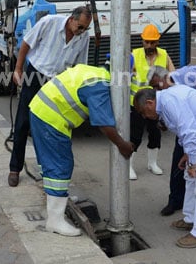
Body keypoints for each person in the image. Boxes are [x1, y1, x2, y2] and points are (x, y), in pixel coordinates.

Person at [29, 64, 135, 236]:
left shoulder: (97, 73)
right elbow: (103, 124)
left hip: (40, 109)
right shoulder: (99, 86)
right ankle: (55, 221)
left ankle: (55, 204)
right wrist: (122, 145)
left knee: (50, 164)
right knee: (60, 165)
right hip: (50, 118)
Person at [134, 87, 196, 248]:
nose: (145, 116)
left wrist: (193, 163)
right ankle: (191, 219)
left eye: (143, 112)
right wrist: (188, 154)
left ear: (150, 103)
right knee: (190, 178)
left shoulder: (170, 101)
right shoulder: (165, 102)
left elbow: (190, 131)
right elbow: (183, 131)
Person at [8, 6, 92, 187]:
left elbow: (80, 65)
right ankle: (14, 168)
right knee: (23, 122)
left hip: (57, 83)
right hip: (36, 75)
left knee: (50, 127)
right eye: (80, 27)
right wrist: (18, 69)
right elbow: (26, 44)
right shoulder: (49, 23)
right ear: (71, 19)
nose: (82, 31)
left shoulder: (83, 37)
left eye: (85, 28)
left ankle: (47, 169)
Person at [147, 65, 196, 216]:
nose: (156, 90)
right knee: (180, 161)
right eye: (153, 87)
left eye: (157, 86)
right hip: (188, 125)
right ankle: (175, 200)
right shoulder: (165, 95)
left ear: (165, 77)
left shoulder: (187, 74)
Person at [129, 24, 175, 180]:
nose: (149, 45)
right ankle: (129, 166)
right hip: (138, 104)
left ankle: (152, 163)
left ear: (157, 42)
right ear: (142, 41)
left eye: (152, 42)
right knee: (135, 136)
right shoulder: (134, 55)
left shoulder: (164, 54)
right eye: (146, 42)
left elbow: (173, 75)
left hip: (157, 104)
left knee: (155, 134)